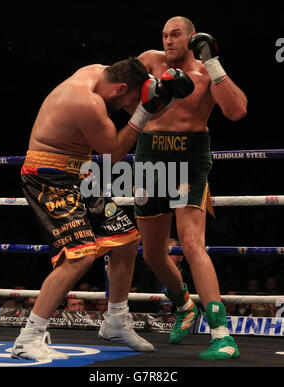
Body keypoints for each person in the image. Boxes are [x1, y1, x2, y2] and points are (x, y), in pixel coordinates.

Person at [11, 57, 195, 361]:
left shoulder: (103, 74)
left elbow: (137, 77)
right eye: (132, 99)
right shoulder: (88, 103)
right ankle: (27, 337)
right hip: (48, 176)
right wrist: (143, 111)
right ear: (121, 87)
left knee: (125, 239)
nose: (131, 104)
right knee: (80, 256)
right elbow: (114, 153)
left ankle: (116, 320)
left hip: (79, 174)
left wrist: (165, 88)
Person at [136, 16, 248, 360]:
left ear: (192, 37)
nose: (169, 41)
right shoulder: (148, 62)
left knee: (192, 243)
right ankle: (184, 305)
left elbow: (237, 110)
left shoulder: (205, 73)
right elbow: (115, 91)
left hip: (189, 160)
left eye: (176, 35)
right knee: (153, 253)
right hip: (150, 157)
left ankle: (222, 335)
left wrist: (212, 63)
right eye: (165, 35)